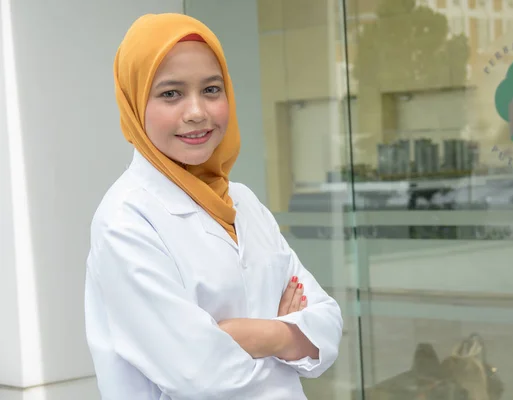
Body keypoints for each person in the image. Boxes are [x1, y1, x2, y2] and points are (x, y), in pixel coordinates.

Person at [84, 12, 343, 400]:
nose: (197, 112)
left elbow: (327, 326)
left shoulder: (242, 202)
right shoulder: (125, 220)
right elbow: (203, 376)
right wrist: (287, 334)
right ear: (135, 104)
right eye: (171, 93)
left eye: (211, 89)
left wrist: (255, 333)